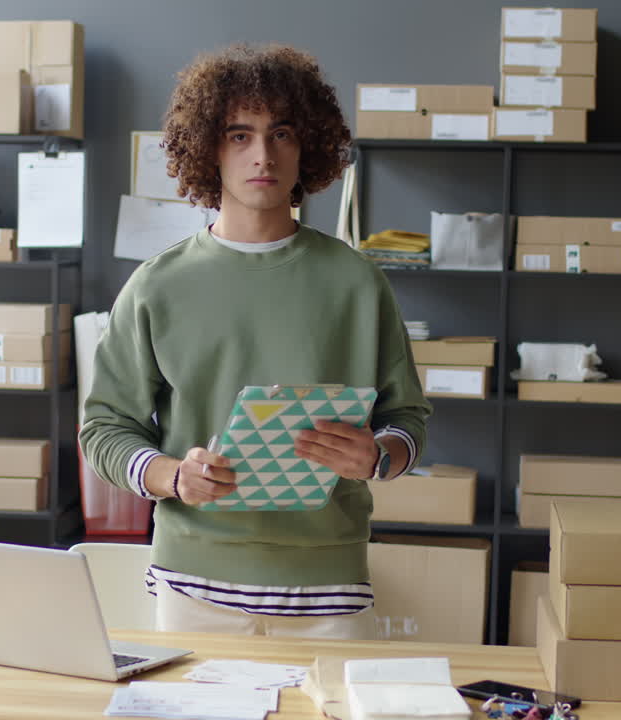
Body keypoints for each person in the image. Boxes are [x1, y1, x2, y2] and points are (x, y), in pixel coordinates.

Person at [79, 44, 430, 640]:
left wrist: (378, 456)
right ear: (207, 149)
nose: (263, 155)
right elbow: (104, 430)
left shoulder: (358, 282)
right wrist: (172, 475)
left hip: (329, 586)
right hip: (193, 585)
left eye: (281, 134)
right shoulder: (157, 285)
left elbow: (408, 420)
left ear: (307, 146)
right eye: (239, 135)